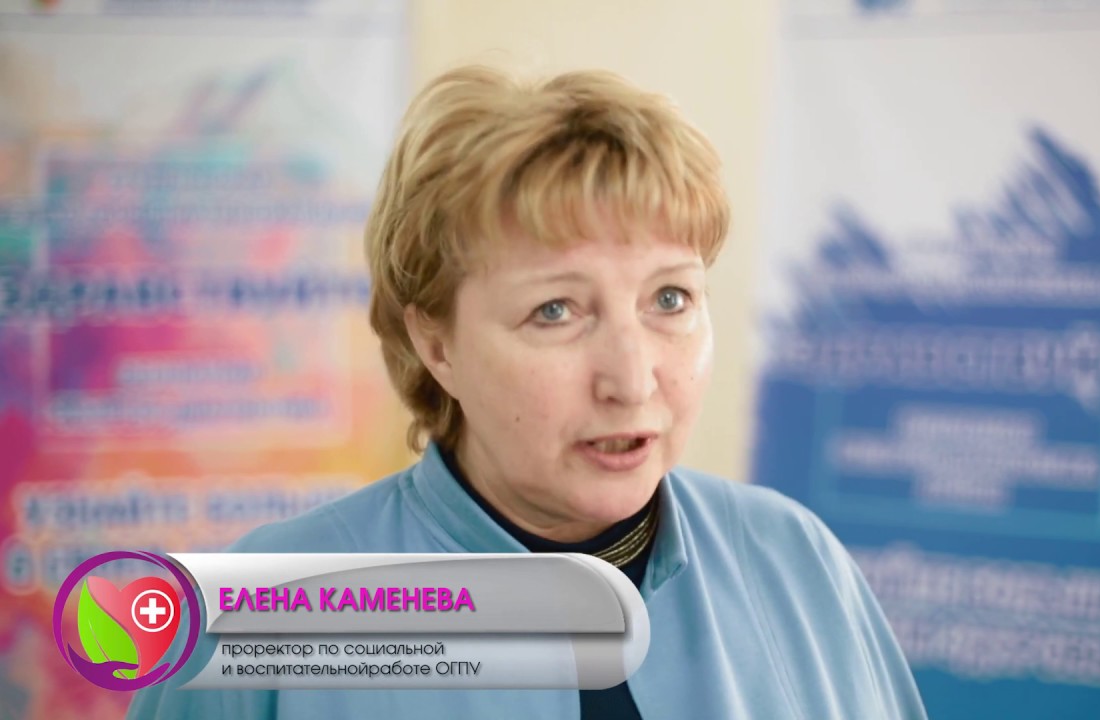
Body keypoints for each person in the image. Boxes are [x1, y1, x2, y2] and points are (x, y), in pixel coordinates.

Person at [128, 65, 928, 719]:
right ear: (435, 342)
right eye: (556, 311)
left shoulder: (796, 561)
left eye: (671, 298)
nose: (633, 380)